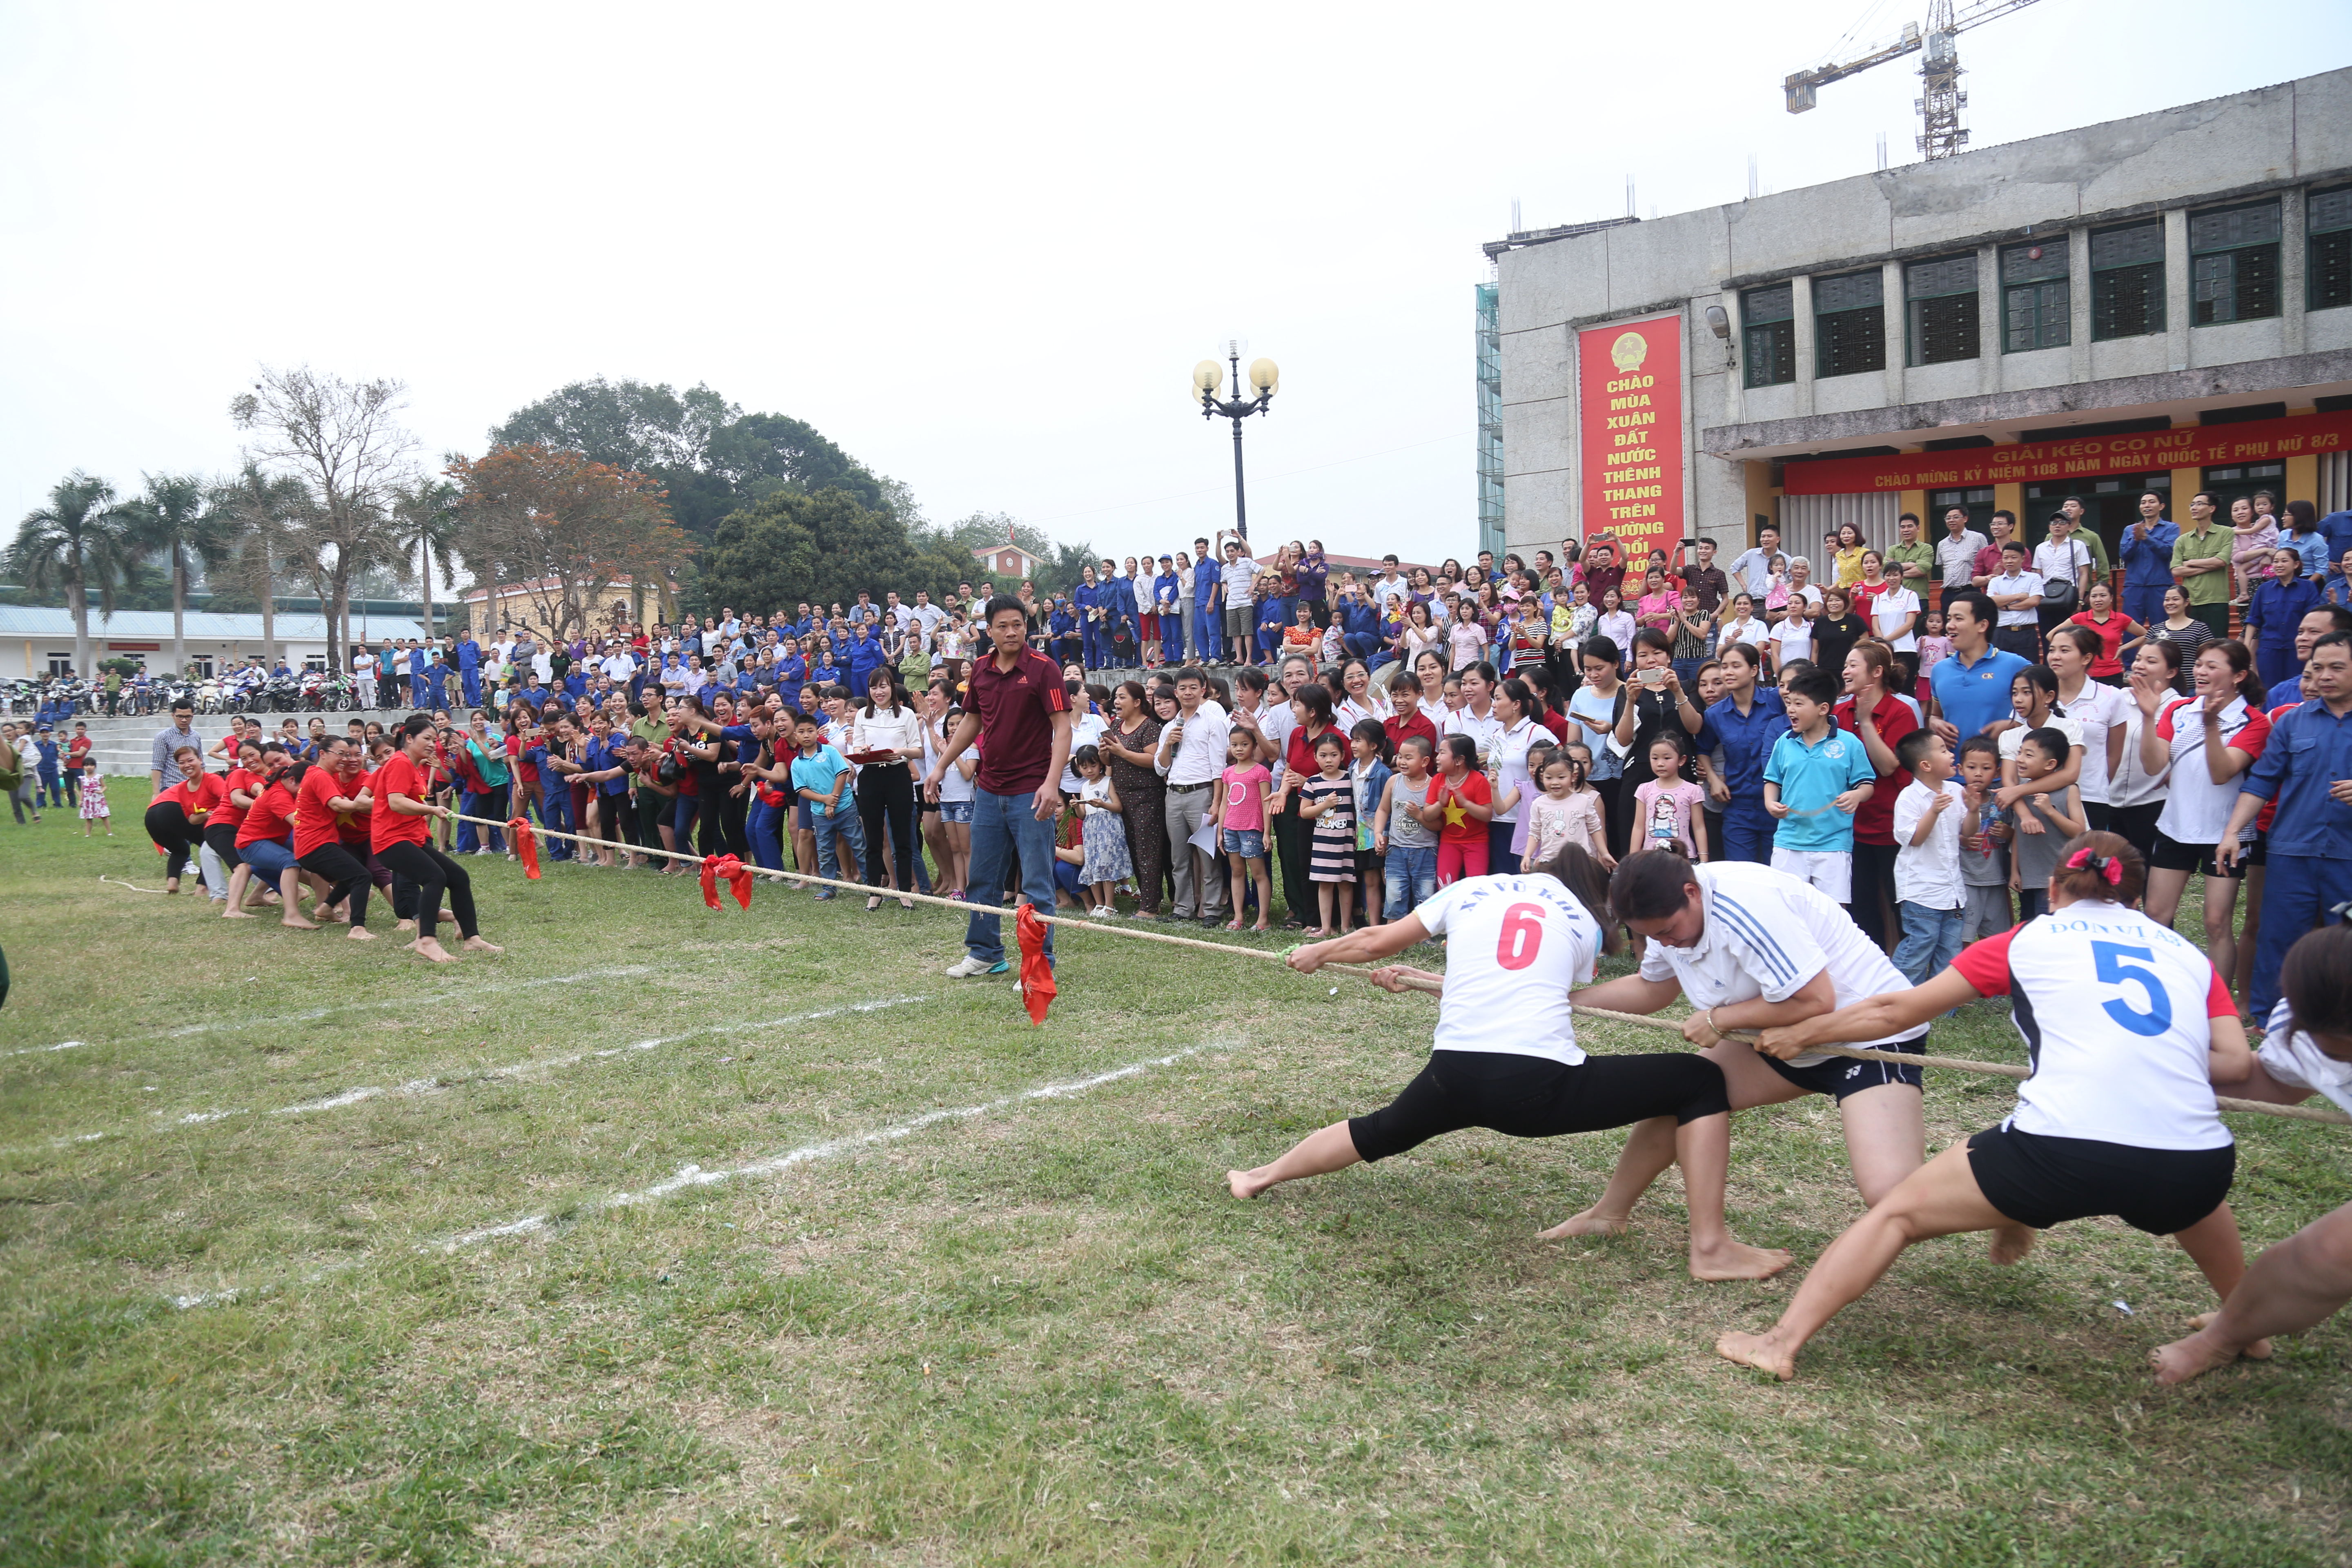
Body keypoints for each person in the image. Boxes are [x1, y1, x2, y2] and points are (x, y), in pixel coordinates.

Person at [1715, 833, 2253, 1383]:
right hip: (2197, 1165)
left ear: (2054, 887)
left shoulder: (2028, 939)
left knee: (1897, 1213)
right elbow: (2236, 1063)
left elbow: (1894, 1011)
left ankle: (1778, 1342)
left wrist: (1809, 1031)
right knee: (2192, 1192)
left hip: (2061, 1151)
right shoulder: (2185, 955)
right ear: (2136, 899)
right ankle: (2247, 1323)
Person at [1226, 845, 1793, 1283]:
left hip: (1453, 1076)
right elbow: (1547, 991)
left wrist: (1319, 951)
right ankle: (1711, 1247)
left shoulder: (1473, 889)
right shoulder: (1585, 923)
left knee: (1379, 1131)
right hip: (1538, 1089)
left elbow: (1377, 942)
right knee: (1697, 1078)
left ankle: (1260, 1176)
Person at [1559, 849, 1931, 1252]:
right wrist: (1565, 999)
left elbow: (1814, 1000)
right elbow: (1653, 989)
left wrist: (1722, 1019)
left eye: (1669, 931)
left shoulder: (1747, 906)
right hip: (1782, 1040)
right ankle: (1608, 1215)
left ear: (1692, 892)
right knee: (1680, 1091)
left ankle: (2000, 1196)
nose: (1665, 943)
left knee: (1890, 1195)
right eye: (1654, 938)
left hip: (1865, 1038)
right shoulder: (1669, 914)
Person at [2155, 922, 2352, 1383]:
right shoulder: (2302, 1024)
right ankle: (2224, 1337)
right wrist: (2146, 1066)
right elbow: (2275, 1083)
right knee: (2329, 1252)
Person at [927, 597, 1076, 978]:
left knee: (1037, 882)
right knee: (983, 876)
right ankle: (986, 952)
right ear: (988, 630)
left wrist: (1051, 784)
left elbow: (1063, 729)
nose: (1011, 632)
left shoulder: (1045, 669)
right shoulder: (979, 668)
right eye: (1003, 626)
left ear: (1026, 626)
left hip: (1032, 790)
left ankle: (1041, 964)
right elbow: (972, 722)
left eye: (1018, 625)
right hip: (990, 790)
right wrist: (941, 766)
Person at [2217, 631, 2352, 1018]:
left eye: (2336, 668)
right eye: (2319, 667)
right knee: (2279, 938)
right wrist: (2232, 834)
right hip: (2293, 851)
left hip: (2347, 854)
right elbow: (2262, 781)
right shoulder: (2293, 723)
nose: (2324, 676)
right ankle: (2267, 1017)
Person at [2139, 640, 2270, 1011]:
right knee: (2157, 916)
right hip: (2175, 826)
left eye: (2213, 666)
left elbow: (2222, 772)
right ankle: (2160, 997)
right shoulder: (2179, 710)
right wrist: (2150, 718)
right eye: (2199, 664)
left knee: (2216, 923)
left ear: (2239, 676)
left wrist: (2212, 726)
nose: (2201, 672)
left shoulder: (2254, 722)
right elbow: (2153, 766)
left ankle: (2217, 1009)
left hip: (2225, 834)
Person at [374, 714, 500, 962]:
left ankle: (472, 939)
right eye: (427, 739)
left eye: (435, 739)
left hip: (410, 838)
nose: (433, 744)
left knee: (458, 878)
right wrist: (431, 809)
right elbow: (396, 802)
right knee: (435, 877)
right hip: (391, 840)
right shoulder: (400, 762)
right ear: (409, 739)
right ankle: (427, 941)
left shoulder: (412, 765)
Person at [1762, 668, 1875, 904]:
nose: (1791, 709)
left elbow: (1866, 783)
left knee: (1834, 914)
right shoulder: (1785, 742)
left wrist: (1858, 795)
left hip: (1833, 843)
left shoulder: (1849, 743)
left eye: (1799, 704)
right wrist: (1770, 802)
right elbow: (1773, 779)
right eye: (1789, 703)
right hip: (1789, 842)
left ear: (1823, 709)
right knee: (1786, 911)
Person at [1890, 729, 1966, 984]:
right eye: (1944, 750)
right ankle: (1896, 995)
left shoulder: (1956, 791)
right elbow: (1914, 839)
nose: (1951, 754)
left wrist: (1975, 810)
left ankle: (1943, 1007)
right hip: (1922, 891)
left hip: (1952, 890)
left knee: (1950, 951)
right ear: (1926, 765)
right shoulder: (1909, 798)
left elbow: (1968, 831)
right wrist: (1933, 811)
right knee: (1918, 946)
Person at [1927, 591, 2031, 746]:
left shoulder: (2015, 665)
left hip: (2003, 768)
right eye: (1949, 619)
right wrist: (1935, 723)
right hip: (1952, 769)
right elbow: (1936, 715)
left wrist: (2014, 724)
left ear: (1982, 625)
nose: (1950, 625)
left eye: (1959, 618)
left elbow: (2045, 711)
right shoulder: (1939, 670)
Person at [2006, 727, 2087, 921]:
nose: (2020, 759)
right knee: (2028, 926)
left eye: (2029, 755)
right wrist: (2015, 871)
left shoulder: (2069, 791)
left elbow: (2079, 832)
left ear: (2051, 764)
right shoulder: (2021, 792)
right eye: (2020, 752)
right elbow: (2019, 834)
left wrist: (2050, 811)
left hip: (2056, 879)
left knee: (2049, 929)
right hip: (2028, 879)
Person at [1213, 726, 1274, 931]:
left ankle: (1263, 919)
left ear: (1255, 746)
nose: (1239, 749)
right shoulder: (1228, 773)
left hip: (1252, 829)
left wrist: (1266, 832)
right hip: (1231, 829)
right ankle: (1238, 916)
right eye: (1234, 745)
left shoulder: (1261, 772)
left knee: (1259, 874)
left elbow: (1267, 803)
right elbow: (1224, 803)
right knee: (1237, 872)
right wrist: (1220, 831)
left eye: (1245, 744)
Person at [1298, 731, 1358, 935]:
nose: (1328, 760)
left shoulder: (1351, 779)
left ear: (1342, 755)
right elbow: (1304, 812)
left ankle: (1344, 927)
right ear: (1315, 758)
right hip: (1323, 842)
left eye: (1333, 755)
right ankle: (1325, 927)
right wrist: (1325, 804)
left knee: (1345, 883)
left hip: (1346, 842)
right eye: (1323, 756)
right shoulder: (1313, 782)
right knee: (1324, 884)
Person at [2245, 546, 2323, 690]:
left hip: (2297, 648)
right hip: (2269, 649)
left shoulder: (2308, 587)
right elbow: (2254, 619)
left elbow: (2313, 617)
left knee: (2298, 689)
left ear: (2296, 564)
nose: (2279, 565)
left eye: (2284, 561)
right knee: (2269, 690)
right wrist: (2246, 646)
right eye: (2276, 562)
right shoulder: (2264, 589)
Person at [1070, 745, 1129, 917]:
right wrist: (1076, 806)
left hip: (1108, 828)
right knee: (1093, 865)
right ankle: (1099, 904)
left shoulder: (1108, 782)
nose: (1089, 770)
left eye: (1093, 765)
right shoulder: (1084, 787)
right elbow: (1083, 815)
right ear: (1079, 768)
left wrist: (1102, 804)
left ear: (1101, 764)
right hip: (1091, 829)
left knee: (1107, 864)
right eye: (1084, 767)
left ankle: (1110, 905)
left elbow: (1118, 807)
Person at [2172, 492, 2235, 639]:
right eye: (2192, 505)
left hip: (2216, 601)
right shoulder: (2183, 540)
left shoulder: (2226, 533)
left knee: (2217, 645)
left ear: (2212, 509)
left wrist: (2191, 563)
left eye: (2200, 504)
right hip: (2190, 601)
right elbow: (2176, 570)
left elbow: (2221, 561)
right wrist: (2210, 565)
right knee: (2191, 646)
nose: (2194, 508)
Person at [1984, 542, 2045, 662]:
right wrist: (2019, 596)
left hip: (2026, 632)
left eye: (2014, 557)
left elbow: (2034, 602)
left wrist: (2006, 606)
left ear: (2023, 559)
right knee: (2000, 670)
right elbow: (1992, 602)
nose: (2009, 561)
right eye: (2006, 558)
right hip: (2002, 633)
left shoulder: (2034, 578)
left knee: (2029, 671)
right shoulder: (1996, 581)